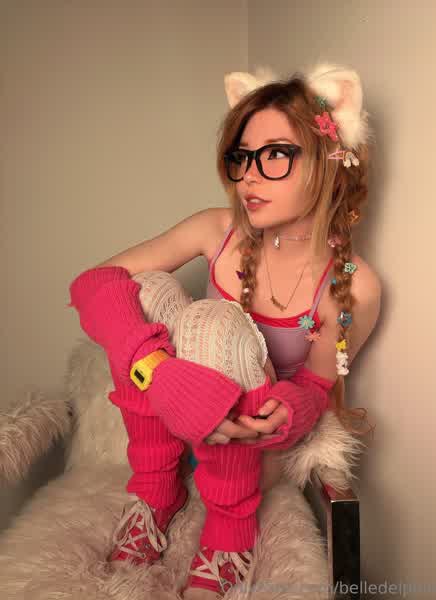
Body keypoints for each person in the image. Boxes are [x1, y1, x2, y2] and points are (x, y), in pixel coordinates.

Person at [68, 63, 381, 599]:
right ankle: (156, 493)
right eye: (242, 156)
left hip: (252, 448)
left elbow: (316, 386)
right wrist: (158, 373)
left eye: (275, 155)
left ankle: (229, 536)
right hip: (176, 423)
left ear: (330, 160)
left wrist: (285, 410)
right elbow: (92, 283)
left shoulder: (354, 285)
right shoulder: (216, 229)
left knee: (214, 320)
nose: (248, 176)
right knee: (144, 289)